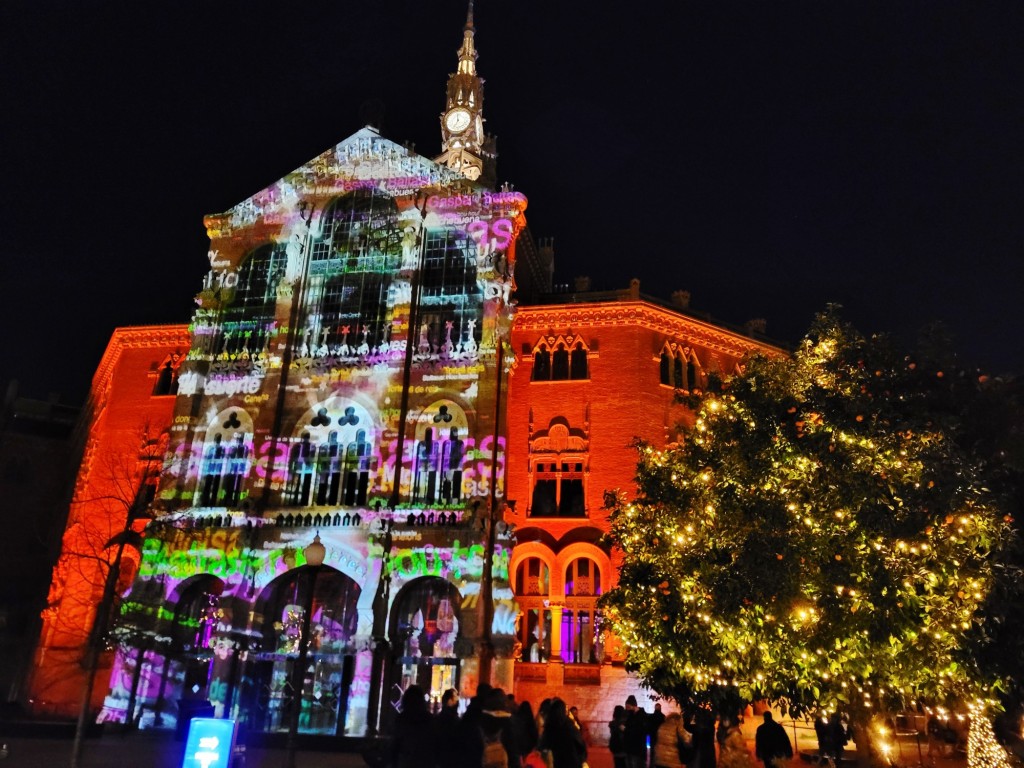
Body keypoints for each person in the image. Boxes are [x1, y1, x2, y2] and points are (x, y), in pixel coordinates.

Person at [390, 685, 436, 768]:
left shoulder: (402, 719)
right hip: (424, 762)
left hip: (406, 762)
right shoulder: (429, 719)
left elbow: (396, 745)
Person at [539, 698, 587, 768]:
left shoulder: (550, 727)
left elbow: (543, 745)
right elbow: (581, 745)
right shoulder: (570, 726)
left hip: (558, 763)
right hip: (573, 762)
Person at [624, 695, 649, 768]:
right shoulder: (630, 715)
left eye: (628, 707)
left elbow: (640, 731)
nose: (627, 709)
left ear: (633, 706)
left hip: (638, 750)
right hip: (630, 748)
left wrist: (626, 730)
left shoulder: (642, 716)